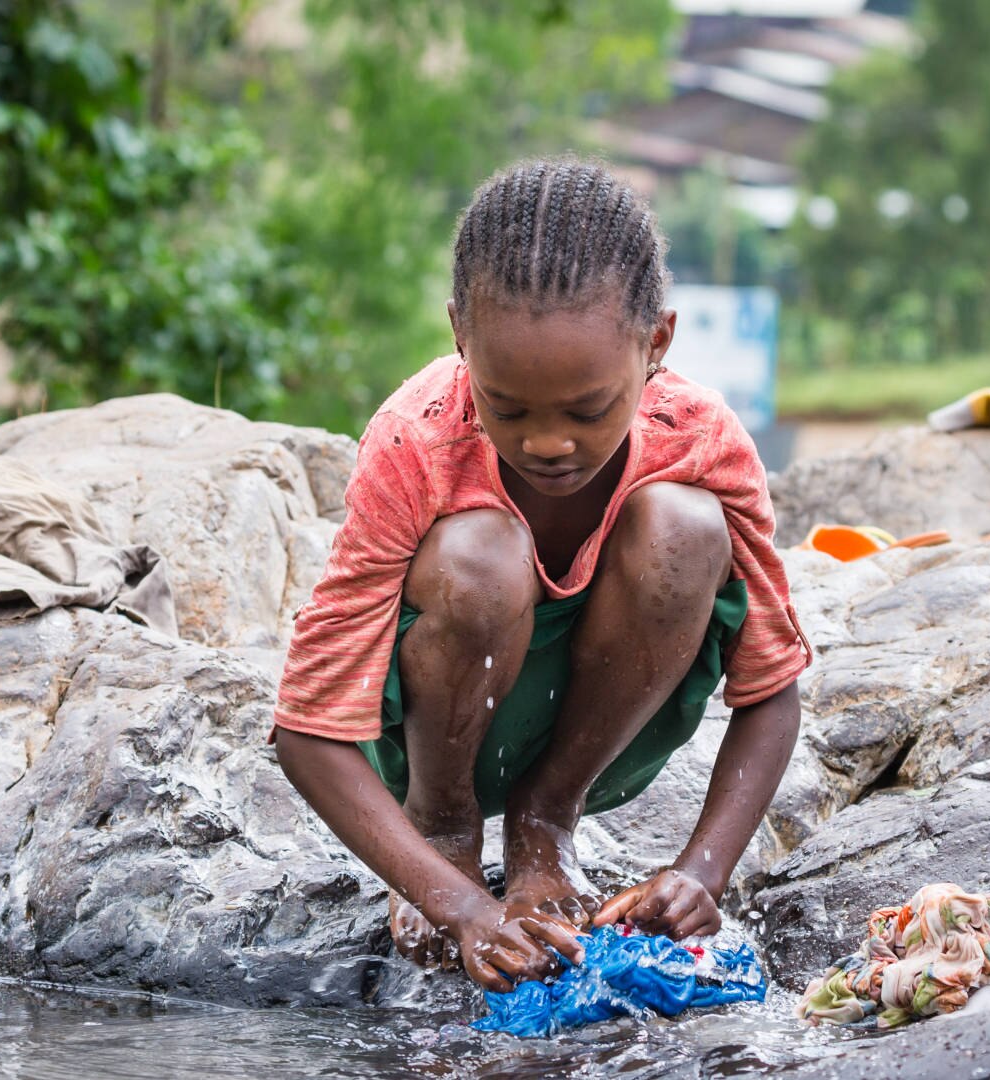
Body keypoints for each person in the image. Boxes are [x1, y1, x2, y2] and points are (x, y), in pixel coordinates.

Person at [271, 157, 811, 993]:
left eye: (588, 410)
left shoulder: (702, 438)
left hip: (597, 727)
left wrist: (703, 873)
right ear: (459, 336)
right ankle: (446, 827)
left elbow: (772, 685)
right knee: (480, 558)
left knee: (685, 526)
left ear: (657, 343)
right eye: (507, 407)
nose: (547, 442)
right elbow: (306, 727)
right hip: (433, 730)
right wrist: (455, 902)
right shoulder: (419, 441)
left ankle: (544, 825)